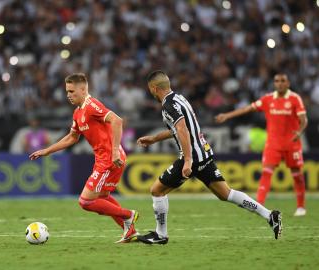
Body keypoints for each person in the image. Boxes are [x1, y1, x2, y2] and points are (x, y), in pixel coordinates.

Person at [136, 70, 282, 245]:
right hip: (203, 153)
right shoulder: (180, 99)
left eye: (150, 89)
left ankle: (161, 234)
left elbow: (182, 129)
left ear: (153, 88)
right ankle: (269, 215)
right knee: (226, 193)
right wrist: (154, 138)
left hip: (193, 157)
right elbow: (180, 128)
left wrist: (188, 160)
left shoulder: (168, 105)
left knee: (156, 190)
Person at [29, 73, 139, 243]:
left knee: (85, 201)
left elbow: (117, 121)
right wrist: (48, 151)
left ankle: (128, 215)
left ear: (83, 89)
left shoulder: (92, 105)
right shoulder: (78, 113)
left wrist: (115, 151)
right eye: (67, 91)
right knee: (102, 197)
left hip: (109, 159)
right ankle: (130, 231)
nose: (68, 95)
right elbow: (72, 138)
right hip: (106, 159)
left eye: (72, 91)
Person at [215, 73, 308, 217]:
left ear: (288, 83)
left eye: (283, 81)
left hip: (292, 143)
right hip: (273, 144)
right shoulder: (268, 99)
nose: (279, 83)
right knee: (266, 172)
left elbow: (304, 120)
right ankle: (258, 205)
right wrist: (227, 115)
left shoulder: (295, 99)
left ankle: (301, 207)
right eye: (277, 81)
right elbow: (247, 109)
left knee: (297, 175)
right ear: (274, 83)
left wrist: (299, 132)